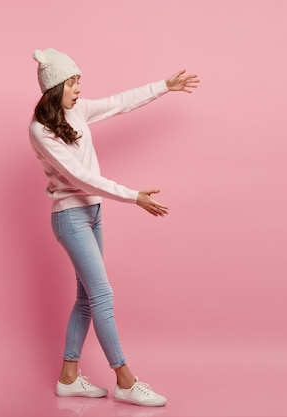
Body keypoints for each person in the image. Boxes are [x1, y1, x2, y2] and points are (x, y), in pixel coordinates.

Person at [28, 48, 199, 407]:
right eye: (72, 82)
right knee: (102, 296)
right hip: (70, 216)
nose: (78, 88)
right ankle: (125, 379)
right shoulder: (40, 130)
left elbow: (120, 102)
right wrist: (133, 196)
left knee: (86, 300)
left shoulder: (77, 111)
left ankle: (68, 378)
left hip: (93, 213)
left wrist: (163, 86)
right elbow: (81, 177)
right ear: (54, 85)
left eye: (78, 81)